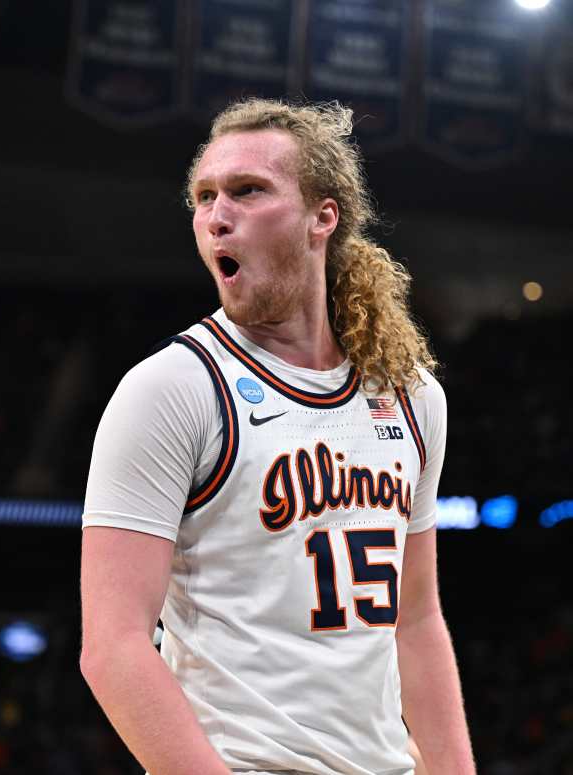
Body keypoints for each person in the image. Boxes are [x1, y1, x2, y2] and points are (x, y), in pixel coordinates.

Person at [79, 98, 475, 775]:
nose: (216, 215)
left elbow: (415, 621)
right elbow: (113, 646)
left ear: (324, 217)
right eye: (204, 196)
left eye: (247, 190)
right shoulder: (172, 388)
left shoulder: (411, 398)